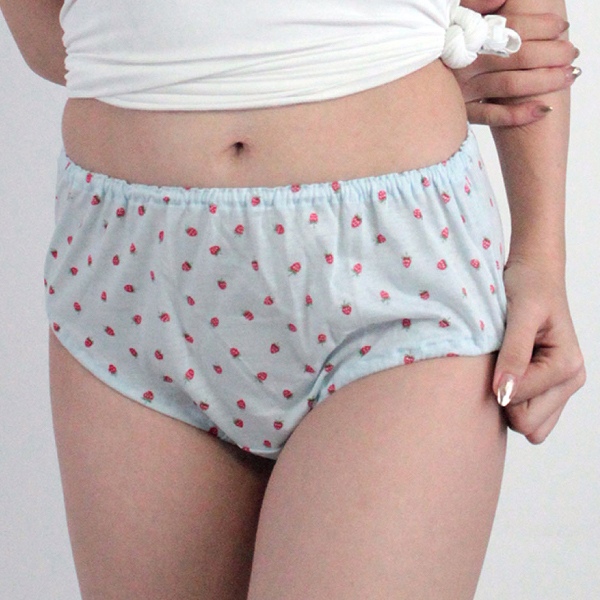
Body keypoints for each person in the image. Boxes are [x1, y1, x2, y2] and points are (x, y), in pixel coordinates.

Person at [0, 0, 585, 598]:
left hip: (391, 267)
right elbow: (51, 40)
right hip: (135, 272)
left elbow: (526, 21)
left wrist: (541, 257)